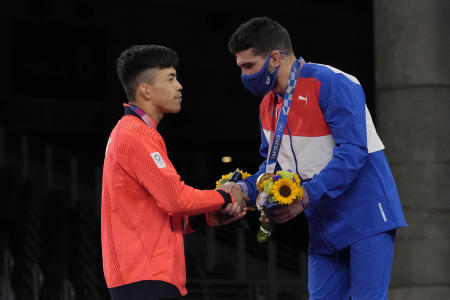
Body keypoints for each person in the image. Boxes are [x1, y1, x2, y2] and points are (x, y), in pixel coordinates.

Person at [226, 17, 407, 299]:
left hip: (366, 213)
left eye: (249, 66)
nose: (244, 75)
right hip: (322, 220)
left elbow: (353, 152)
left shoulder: (332, 82)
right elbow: (273, 167)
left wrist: (305, 197)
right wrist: (244, 190)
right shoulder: (266, 105)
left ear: (275, 58)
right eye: (240, 68)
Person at [101, 44, 248, 300]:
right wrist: (226, 196)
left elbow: (160, 217)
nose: (179, 86)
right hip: (145, 277)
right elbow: (176, 200)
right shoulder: (134, 135)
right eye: (170, 78)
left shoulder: (135, 133)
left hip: (146, 276)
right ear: (145, 90)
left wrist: (211, 218)